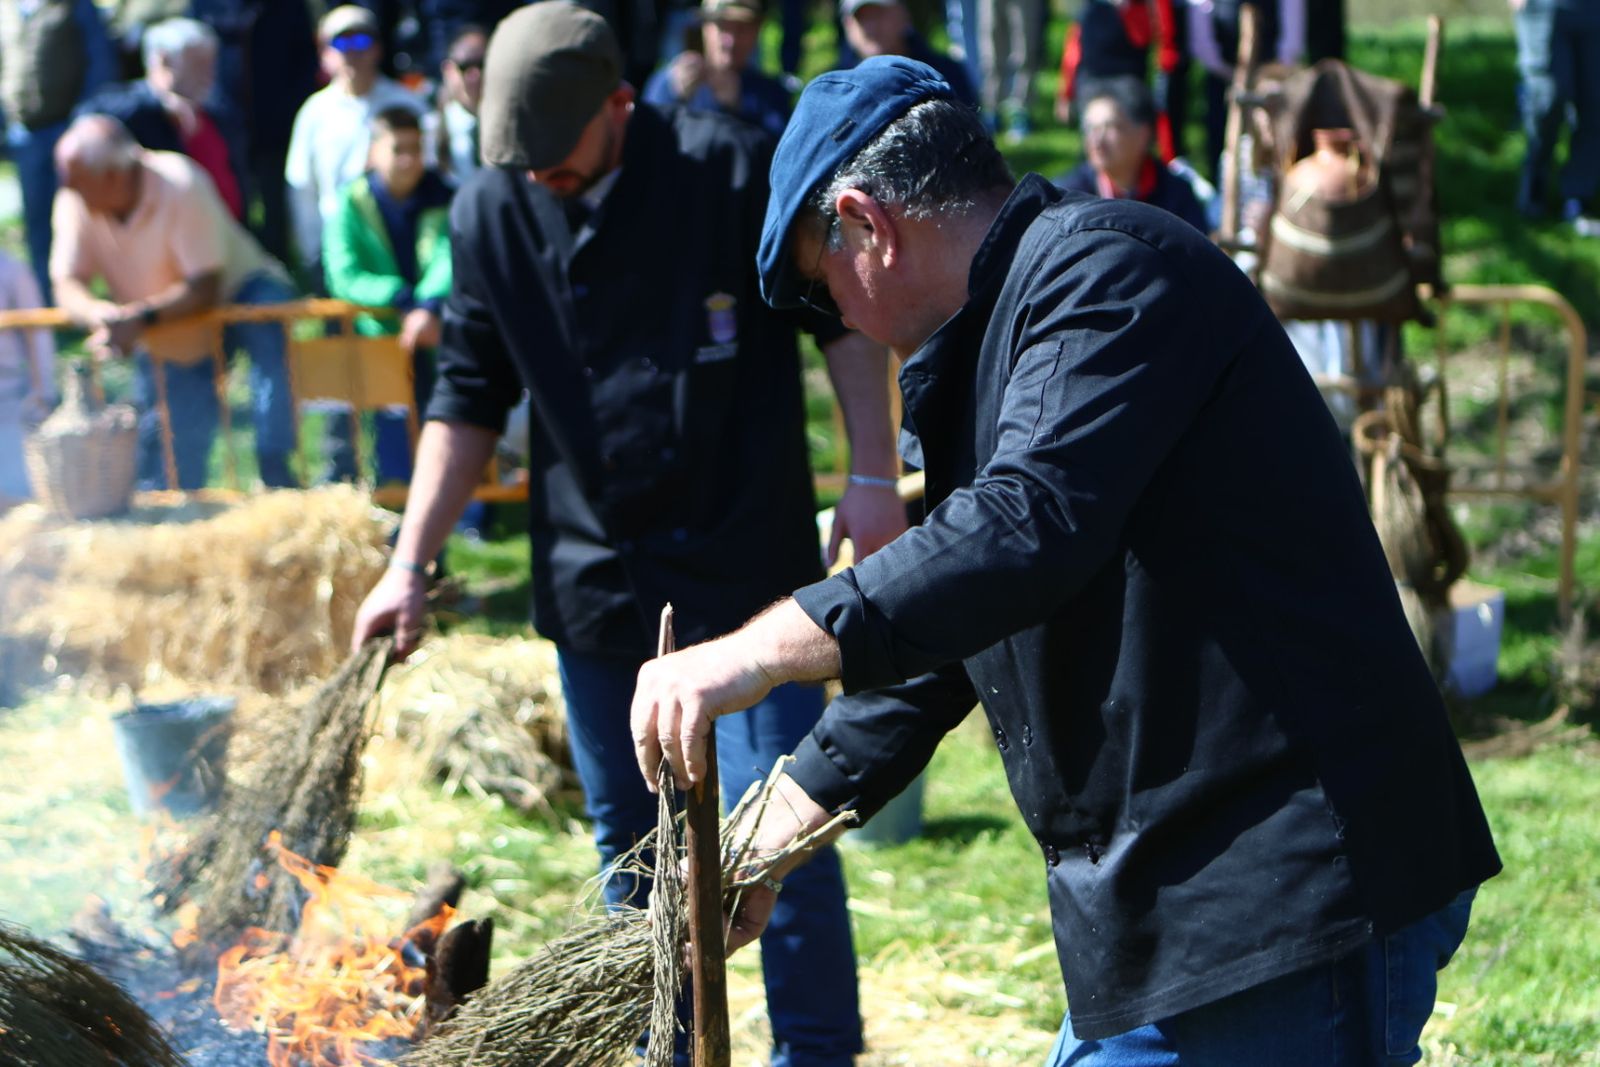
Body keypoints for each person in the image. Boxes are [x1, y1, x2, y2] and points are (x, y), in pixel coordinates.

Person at [630, 57, 1502, 1065]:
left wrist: (756, 652)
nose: (843, 326)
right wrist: (768, 833)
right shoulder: (998, 345)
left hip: (1288, 884)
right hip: (1185, 907)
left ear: (867, 224)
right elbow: (962, 616)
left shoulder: (1110, 273)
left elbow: (1023, 526)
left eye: (822, 291)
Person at [349, 5, 905, 1064]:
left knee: (781, 829)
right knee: (632, 848)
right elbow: (465, 396)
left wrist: (872, 476)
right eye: (525, 169)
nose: (543, 184)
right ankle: (666, 1048)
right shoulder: (488, 211)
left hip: (747, 566)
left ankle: (817, 1052)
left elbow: (837, 319)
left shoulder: (727, 169)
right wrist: (406, 564)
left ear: (619, 104)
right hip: (597, 577)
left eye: (559, 165)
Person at [50, 115, 300, 491]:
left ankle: (278, 474)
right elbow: (66, 282)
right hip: (166, 321)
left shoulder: (180, 182)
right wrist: (99, 315)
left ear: (113, 178)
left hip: (236, 291)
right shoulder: (75, 199)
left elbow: (205, 287)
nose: (67, 189)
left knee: (268, 334)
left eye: (77, 181)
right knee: (172, 445)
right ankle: (175, 504)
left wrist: (139, 318)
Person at [323, 106, 453, 485]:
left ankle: (454, 513)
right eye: (398, 149)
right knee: (371, 434)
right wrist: (399, 298)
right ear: (373, 152)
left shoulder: (442, 195)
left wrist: (428, 305)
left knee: (437, 425)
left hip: (432, 334)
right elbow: (343, 274)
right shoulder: (350, 202)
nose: (409, 160)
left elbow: (448, 256)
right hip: (370, 336)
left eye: (416, 148)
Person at [285, 4, 422, 283]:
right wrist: (313, 253)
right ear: (325, 52)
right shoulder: (314, 112)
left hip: (403, 246)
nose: (352, 51)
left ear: (378, 48)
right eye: (341, 42)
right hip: (338, 253)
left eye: (361, 40)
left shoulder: (407, 103)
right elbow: (301, 188)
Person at [0, 0, 116, 304]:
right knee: (38, 227)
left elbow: (100, 65)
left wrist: (83, 124)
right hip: (24, 134)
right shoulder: (8, 9)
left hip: (66, 132)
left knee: (79, 219)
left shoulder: (74, 5)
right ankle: (48, 308)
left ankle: (91, 302)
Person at [190, 0, 321, 263]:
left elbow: (306, 61)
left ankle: (278, 275)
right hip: (225, 125)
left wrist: (289, 110)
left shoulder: (288, 6)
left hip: (275, 126)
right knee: (231, 206)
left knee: (276, 211)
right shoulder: (207, 5)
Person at [75, 17, 244, 219]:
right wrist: (162, 105)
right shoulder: (134, 109)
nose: (209, 74)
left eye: (211, 63)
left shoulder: (217, 110)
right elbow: (85, 120)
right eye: (198, 64)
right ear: (164, 61)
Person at [1057, 77, 1207, 233]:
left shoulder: (1175, 196)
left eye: (1110, 127)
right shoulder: (1068, 197)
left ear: (1143, 134)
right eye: (1090, 128)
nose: (1097, 139)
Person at [643, 0, 793, 140]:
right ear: (704, 28)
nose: (731, 41)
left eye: (742, 29)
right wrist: (675, 98)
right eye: (722, 27)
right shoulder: (669, 82)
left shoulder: (770, 95)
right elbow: (645, 142)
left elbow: (778, 155)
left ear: (757, 32)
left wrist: (738, 108)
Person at [1054, 0, 1182, 162]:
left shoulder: (1139, 8)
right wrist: (1065, 94)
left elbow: (1144, 38)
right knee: (1095, 138)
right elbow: (1073, 55)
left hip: (1128, 85)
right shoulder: (1090, 10)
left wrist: (1128, 10)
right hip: (1092, 83)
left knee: (1128, 139)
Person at [1511, 0, 1600, 229]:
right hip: (1543, 7)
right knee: (1547, 98)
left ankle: (1578, 200)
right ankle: (1534, 188)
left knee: (1594, 106)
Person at [840, 0, 978, 110]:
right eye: (862, 18)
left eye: (878, 14)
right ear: (847, 25)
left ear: (903, 15)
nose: (871, 27)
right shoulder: (837, 91)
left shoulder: (944, 74)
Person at [0, 251, 56, 504]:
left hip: (8, 400)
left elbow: (38, 334)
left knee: (17, 498)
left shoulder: (11, 270)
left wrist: (43, 391)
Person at [430, 23, 488, 186]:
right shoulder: (431, 128)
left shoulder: (513, 122)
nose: (475, 75)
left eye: (482, 64)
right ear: (448, 70)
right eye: (465, 66)